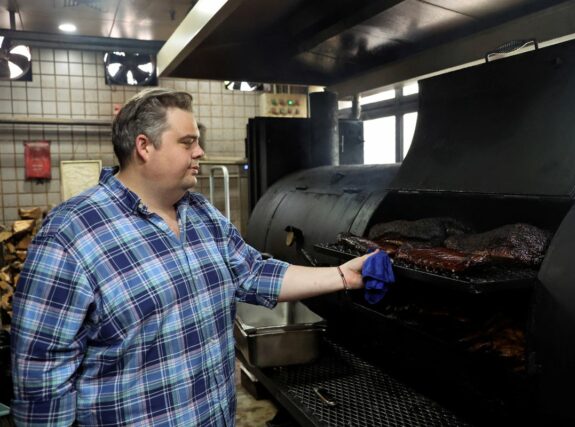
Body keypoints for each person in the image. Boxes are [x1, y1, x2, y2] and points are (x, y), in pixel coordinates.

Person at [11, 88, 373, 426]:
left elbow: (253, 273)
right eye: (188, 142)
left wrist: (344, 274)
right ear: (144, 146)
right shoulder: (71, 232)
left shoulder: (201, 213)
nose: (200, 152)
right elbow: (41, 373)